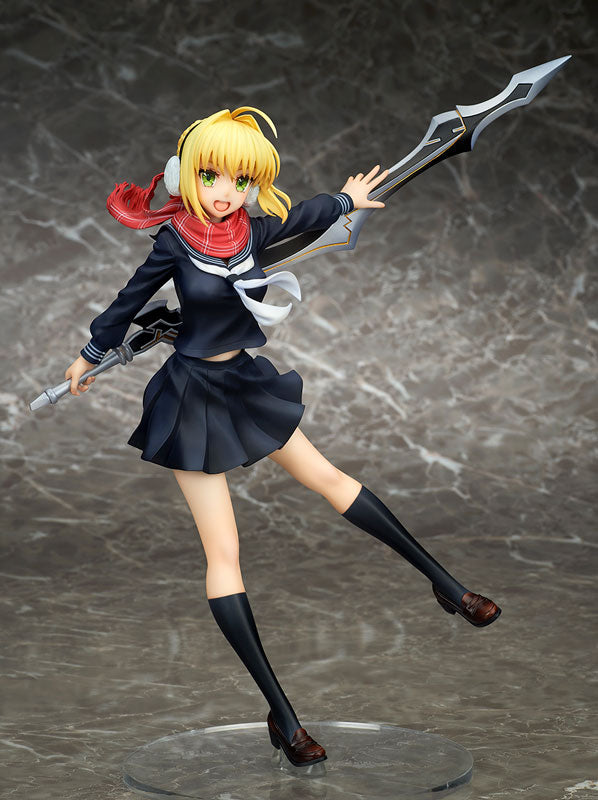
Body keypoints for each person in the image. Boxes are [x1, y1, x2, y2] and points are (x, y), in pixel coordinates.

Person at [64, 106, 500, 768]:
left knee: (330, 479)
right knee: (225, 553)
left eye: (240, 180)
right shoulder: (175, 242)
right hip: (189, 400)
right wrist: (91, 354)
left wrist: (348, 199)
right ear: (187, 174)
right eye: (211, 175)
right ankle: (285, 716)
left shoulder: (252, 231)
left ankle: (448, 586)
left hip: (243, 384)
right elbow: (128, 302)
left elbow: (308, 216)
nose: (224, 191)